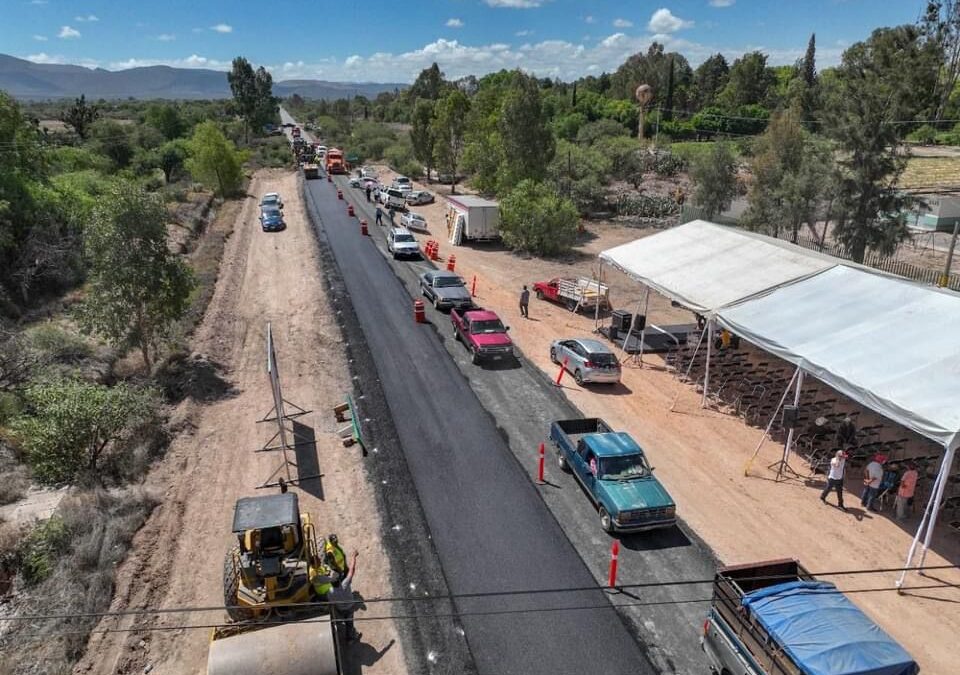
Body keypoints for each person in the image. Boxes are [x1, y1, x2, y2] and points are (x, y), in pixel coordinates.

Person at [328, 550, 362, 642]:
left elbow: (332, 603)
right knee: (349, 623)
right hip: (350, 607)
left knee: (346, 621)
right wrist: (354, 557)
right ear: (339, 580)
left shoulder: (330, 592)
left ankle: (349, 634)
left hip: (340, 609)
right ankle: (350, 638)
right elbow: (352, 570)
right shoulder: (345, 584)